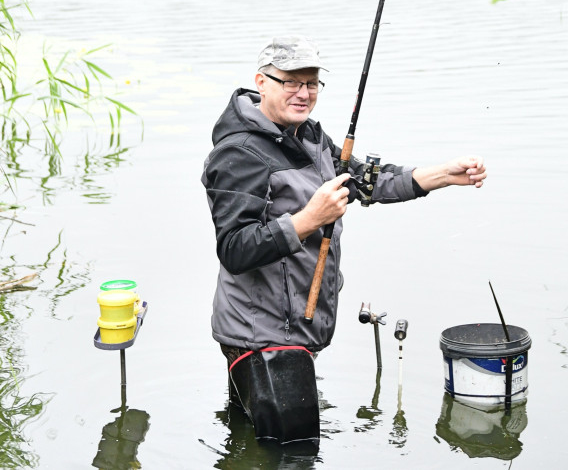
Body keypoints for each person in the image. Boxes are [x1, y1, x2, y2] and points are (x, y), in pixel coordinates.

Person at [201, 36, 487, 367]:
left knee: (256, 420)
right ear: (261, 83)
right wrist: (309, 219)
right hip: (259, 338)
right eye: (291, 82)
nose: (304, 94)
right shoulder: (239, 153)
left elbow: (365, 182)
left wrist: (444, 175)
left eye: (311, 83)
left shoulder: (308, 136)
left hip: (297, 330)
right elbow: (235, 249)